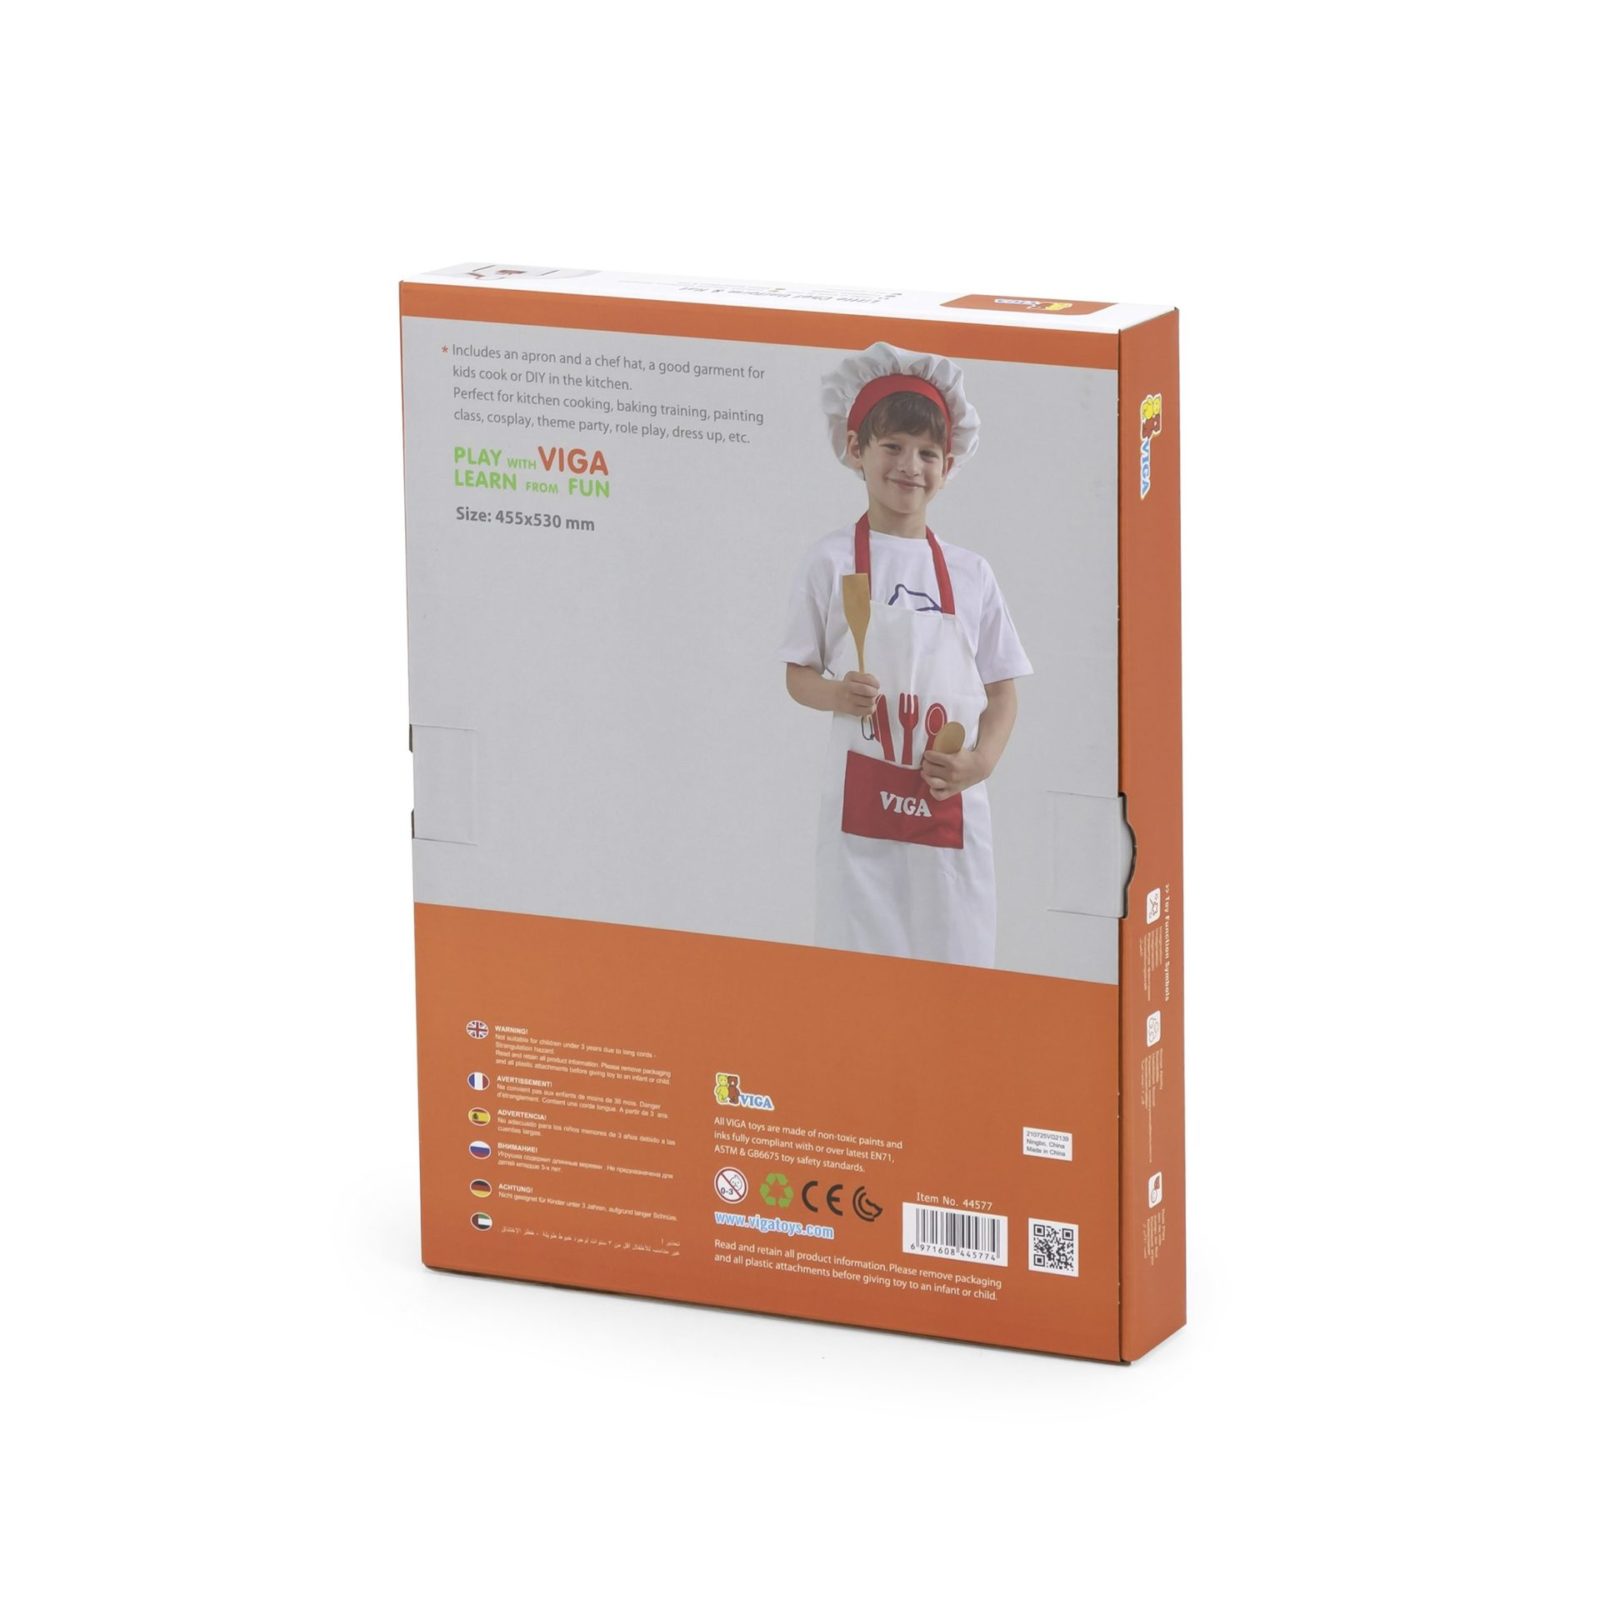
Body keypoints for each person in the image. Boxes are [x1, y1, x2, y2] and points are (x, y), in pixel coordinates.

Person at [778, 342, 1032, 967]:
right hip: (861, 817)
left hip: (948, 809)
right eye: (892, 446)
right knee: (859, 970)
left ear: (949, 464)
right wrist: (837, 694)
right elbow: (797, 675)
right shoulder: (831, 560)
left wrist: (982, 762)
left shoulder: (972, 574)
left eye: (927, 453)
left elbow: (1002, 692)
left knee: (954, 971)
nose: (909, 466)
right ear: (855, 448)